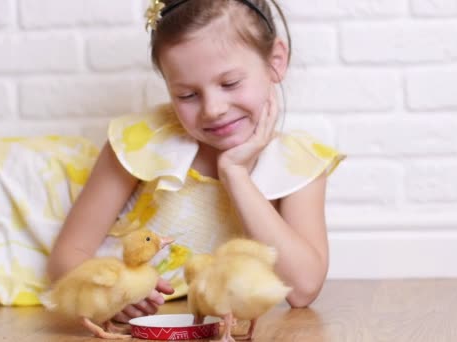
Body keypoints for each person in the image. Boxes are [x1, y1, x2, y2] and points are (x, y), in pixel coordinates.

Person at [48, 0, 344, 324]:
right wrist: (108, 295)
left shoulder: (299, 165)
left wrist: (236, 175)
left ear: (275, 61)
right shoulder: (141, 142)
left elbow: (303, 289)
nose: (213, 109)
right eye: (187, 95)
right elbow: (65, 256)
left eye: (230, 83)